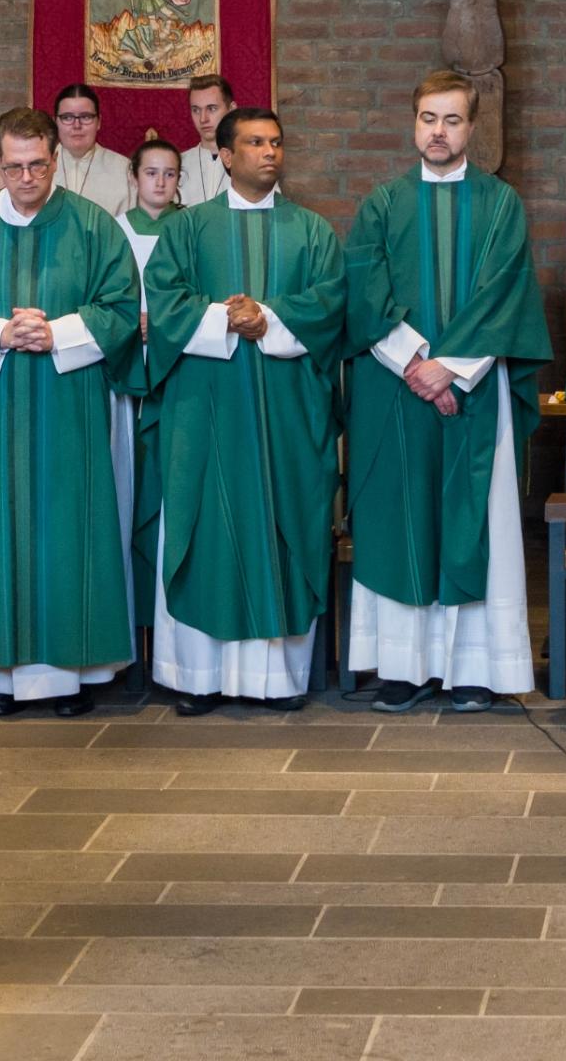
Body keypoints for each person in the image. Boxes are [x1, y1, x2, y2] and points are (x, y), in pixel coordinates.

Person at [0, 108, 142, 717]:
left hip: (69, 405)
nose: (25, 178)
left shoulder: (95, 227)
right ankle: (0, 676)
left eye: (37, 165)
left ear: (54, 160)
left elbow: (121, 307)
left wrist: (61, 333)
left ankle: (76, 672)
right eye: (12, 166)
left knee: (71, 526)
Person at [345, 72, 551, 711]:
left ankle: (473, 671)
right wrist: (416, 364)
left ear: (472, 127)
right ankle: (402, 669)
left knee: (473, 521)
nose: (439, 132)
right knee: (399, 518)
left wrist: (452, 368)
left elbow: (505, 293)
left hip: (474, 393)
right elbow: (363, 291)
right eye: (429, 119)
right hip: (397, 392)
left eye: (452, 120)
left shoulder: (499, 204)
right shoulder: (382, 203)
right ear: (413, 123)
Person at [141, 107, 346, 714]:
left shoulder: (311, 231)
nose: (269, 152)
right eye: (254, 143)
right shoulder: (187, 229)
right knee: (206, 525)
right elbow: (165, 296)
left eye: (277, 142)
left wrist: (270, 317)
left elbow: (330, 303)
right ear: (224, 156)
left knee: (285, 518)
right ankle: (195, 679)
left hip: (284, 414)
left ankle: (277, 679)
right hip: (205, 411)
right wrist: (225, 318)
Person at [114, 139, 182, 622]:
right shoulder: (113, 232)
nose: (160, 182)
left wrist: (161, 322)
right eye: (151, 173)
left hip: (177, 364)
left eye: (170, 174)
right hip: (127, 366)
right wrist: (127, 321)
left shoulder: (193, 228)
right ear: (134, 178)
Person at [53, 83, 132, 214]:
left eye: (85, 117)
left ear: (99, 122)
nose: (77, 125)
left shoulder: (123, 169)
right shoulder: (38, 166)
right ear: (56, 121)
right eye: (67, 117)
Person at [178, 73, 234, 205]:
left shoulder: (250, 163)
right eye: (196, 110)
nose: (203, 119)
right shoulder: (177, 165)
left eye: (212, 108)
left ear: (231, 110)